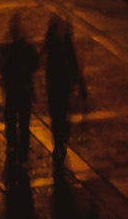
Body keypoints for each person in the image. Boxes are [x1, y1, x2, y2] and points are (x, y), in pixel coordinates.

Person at [42, 14, 87, 174]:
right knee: (58, 118)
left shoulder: (64, 46)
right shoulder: (54, 45)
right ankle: (59, 143)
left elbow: (75, 68)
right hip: (56, 87)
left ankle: (61, 143)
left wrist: (80, 87)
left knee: (63, 119)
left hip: (62, 87)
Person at [0, 13, 38, 173]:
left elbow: (33, 62)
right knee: (14, 120)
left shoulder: (17, 44)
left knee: (21, 122)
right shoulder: (11, 44)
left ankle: (20, 153)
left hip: (19, 87)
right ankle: (15, 147)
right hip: (15, 87)